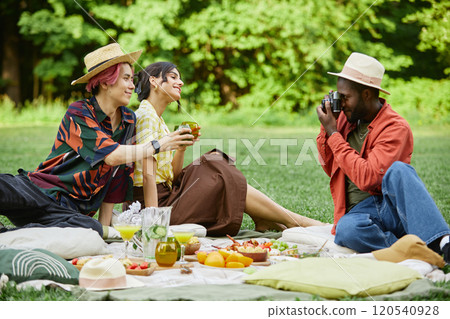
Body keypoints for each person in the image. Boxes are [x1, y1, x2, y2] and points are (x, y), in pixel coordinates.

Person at [0, 44, 190, 237]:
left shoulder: (128, 120)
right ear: (106, 82)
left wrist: (103, 228)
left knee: (92, 230)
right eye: (126, 79)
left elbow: (116, 178)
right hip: (41, 191)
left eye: (132, 79)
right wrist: (159, 144)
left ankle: (8, 235)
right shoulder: (79, 112)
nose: (133, 86)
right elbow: (112, 156)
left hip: (71, 212)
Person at [130, 61, 325, 236]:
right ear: (154, 82)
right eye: (173, 77)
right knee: (216, 171)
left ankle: (273, 219)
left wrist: (180, 149)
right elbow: (148, 175)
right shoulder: (146, 116)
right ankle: (296, 221)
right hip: (154, 206)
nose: (180, 82)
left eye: (180, 78)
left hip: (164, 195)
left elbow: (172, 176)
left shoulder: (157, 119)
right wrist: (153, 224)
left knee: (213, 161)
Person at [316, 52, 450, 262]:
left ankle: (441, 241)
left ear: (367, 94)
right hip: (361, 214)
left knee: (399, 170)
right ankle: (414, 250)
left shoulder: (395, 127)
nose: (342, 103)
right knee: (346, 230)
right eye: (338, 96)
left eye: (346, 97)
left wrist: (334, 135)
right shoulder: (344, 120)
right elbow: (330, 166)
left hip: (391, 206)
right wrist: (327, 129)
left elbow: (368, 178)